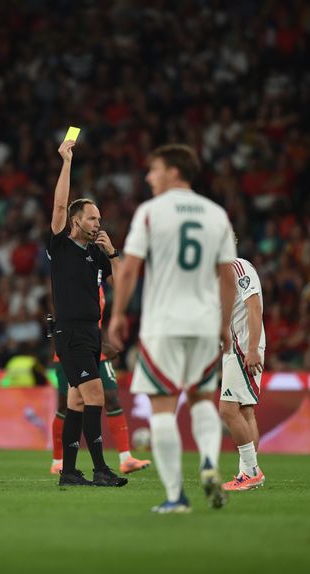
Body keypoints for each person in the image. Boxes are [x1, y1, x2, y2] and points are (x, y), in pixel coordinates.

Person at [109, 143, 237, 513]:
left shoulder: (151, 212)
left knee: (162, 408)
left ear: (175, 172)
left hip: (162, 323)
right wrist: (225, 323)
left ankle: (176, 496)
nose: (149, 177)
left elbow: (130, 268)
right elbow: (227, 274)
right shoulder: (217, 215)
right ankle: (210, 462)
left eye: (155, 169)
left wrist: (118, 314)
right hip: (203, 323)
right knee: (201, 400)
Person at [48, 138, 127, 487]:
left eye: (99, 218)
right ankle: (100, 469)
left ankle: (68, 472)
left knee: (77, 400)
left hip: (90, 333)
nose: (98, 223)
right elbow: (60, 202)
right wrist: (66, 162)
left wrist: (113, 253)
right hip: (70, 332)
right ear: (75, 220)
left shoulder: (97, 254)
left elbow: (123, 287)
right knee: (95, 395)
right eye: (91, 218)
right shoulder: (61, 244)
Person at [49, 285, 151, 475]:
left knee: (112, 398)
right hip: (72, 348)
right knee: (66, 405)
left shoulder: (98, 280)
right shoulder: (74, 278)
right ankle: (58, 461)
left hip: (95, 348)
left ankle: (126, 458)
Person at [219, 256, 267, 491]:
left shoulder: (239, 267)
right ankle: (246, 473)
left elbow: (254, 306)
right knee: (245, 411)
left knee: (228, 409)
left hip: (243, 346)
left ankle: (251, 472)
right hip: (232, 348)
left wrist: (252, 349)